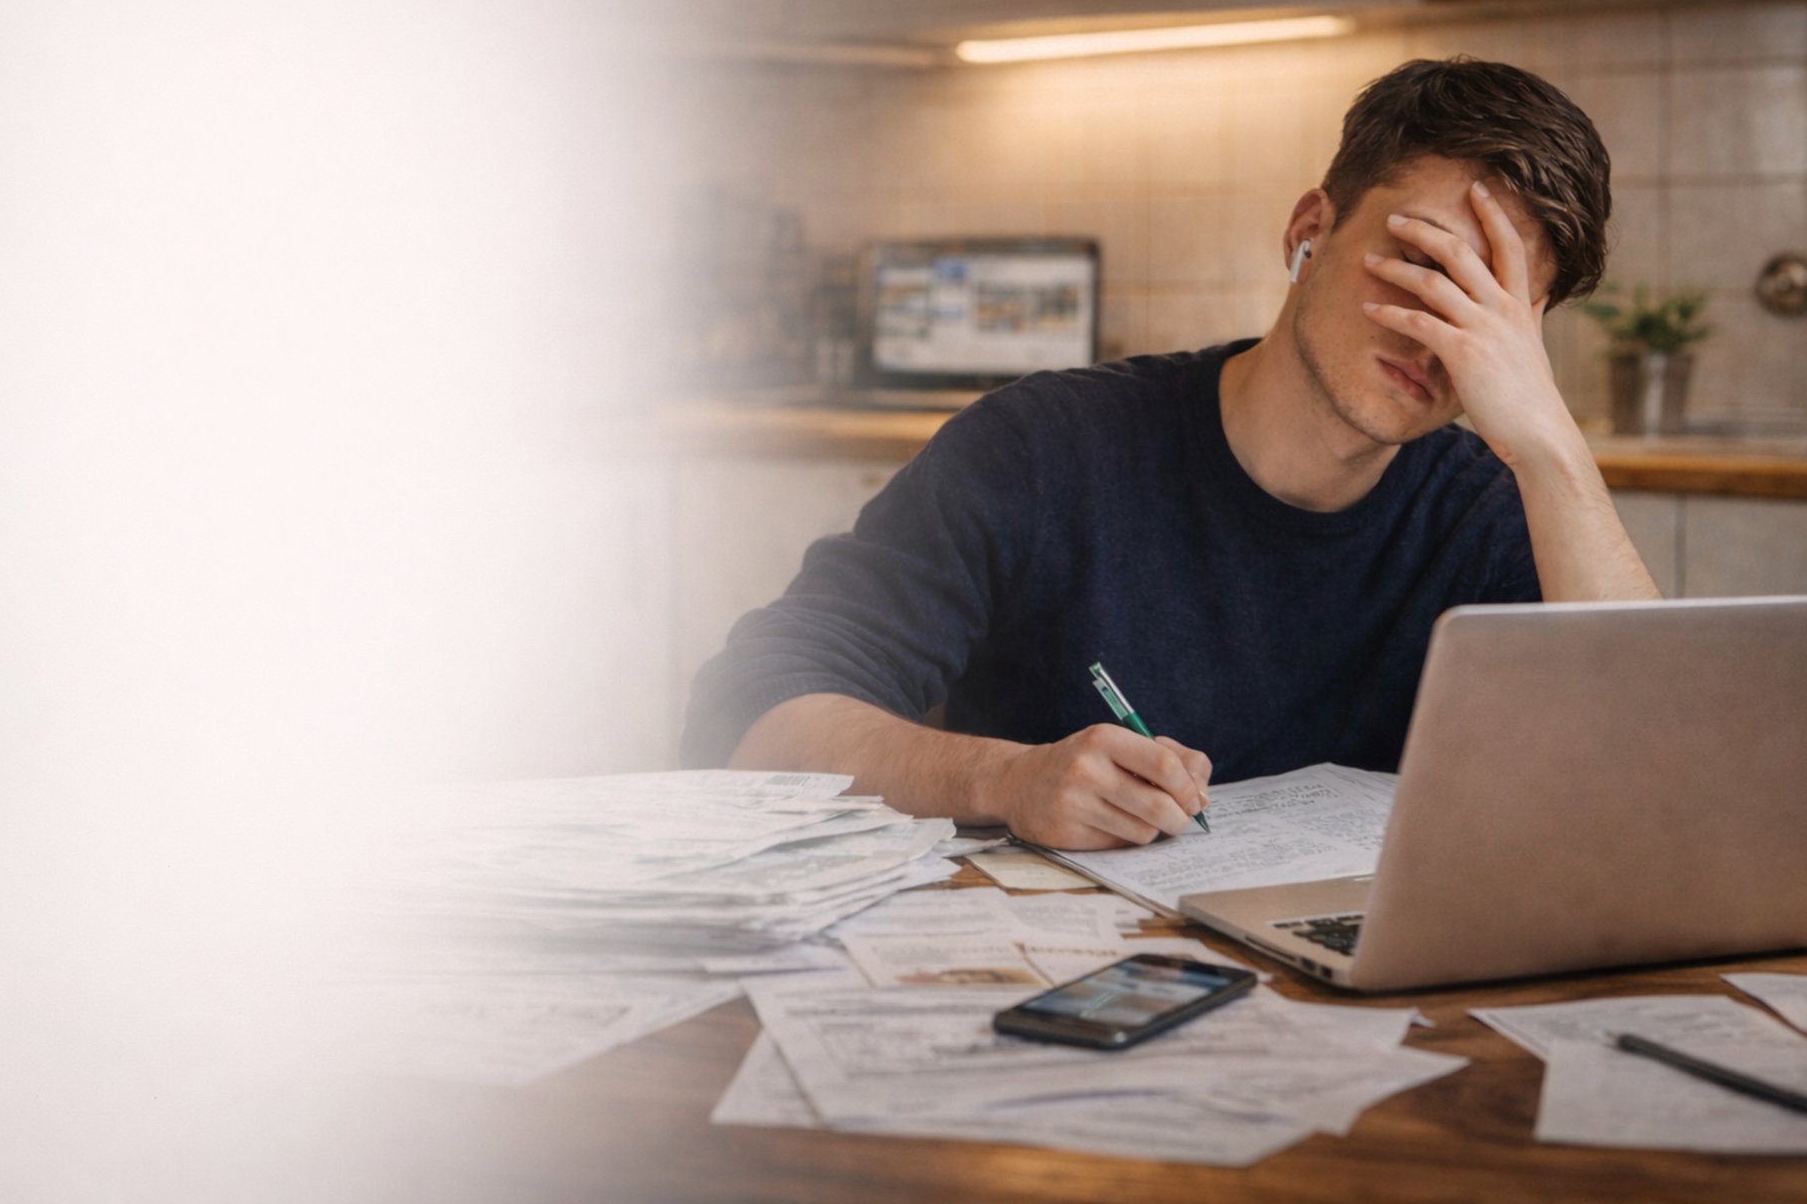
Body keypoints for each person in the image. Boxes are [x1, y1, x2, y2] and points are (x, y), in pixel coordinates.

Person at [680, 57, 1660, 850]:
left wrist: (1550, 447)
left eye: (1487, 310)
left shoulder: (1489, 509)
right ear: (1309, 230)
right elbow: (747, 722)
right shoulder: (1045, 449)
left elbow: (1659, 788)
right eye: (1424, 268)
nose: (1435, 334)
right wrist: (1006, 778)